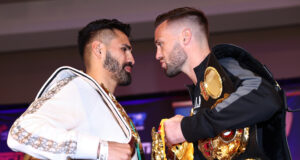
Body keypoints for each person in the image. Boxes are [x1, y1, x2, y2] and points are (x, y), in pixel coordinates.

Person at [154, 7, 291, 159]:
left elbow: (266, 97)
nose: (157, 55)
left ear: (185, 37)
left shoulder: (225, 65)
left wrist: (186, 128)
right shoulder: (200, 95)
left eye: (160, 44)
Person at [7, 19, 144, 160]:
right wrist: (101, 148)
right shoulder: (79, 88)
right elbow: (20, 132)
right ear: (99, 49)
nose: (131, 59)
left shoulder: (108, 102)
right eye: (124, 49)